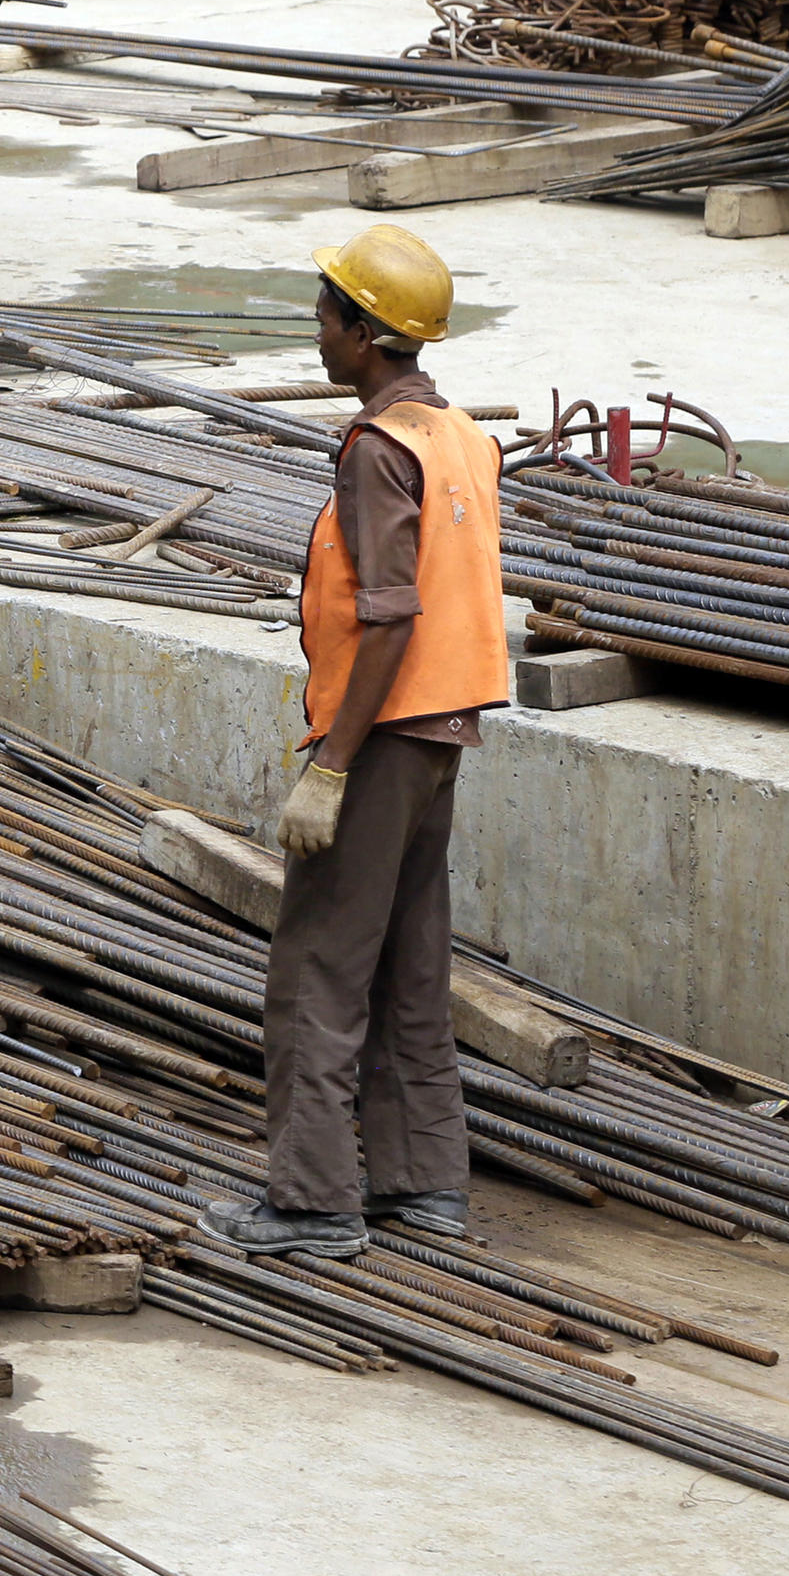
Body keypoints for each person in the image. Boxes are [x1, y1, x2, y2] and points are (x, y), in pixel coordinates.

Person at [203, 225, 506, 1262]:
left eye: (328, 316)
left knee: (318, 969)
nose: (318, 331)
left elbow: (388, 612)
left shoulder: (377, 450)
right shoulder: (459, 435)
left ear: (366, 334)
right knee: (409, 962)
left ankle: (312, 1200)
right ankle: (422, 1182)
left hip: (378, 736)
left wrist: (328, 768)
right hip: (443, 731)